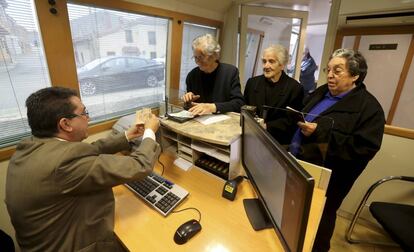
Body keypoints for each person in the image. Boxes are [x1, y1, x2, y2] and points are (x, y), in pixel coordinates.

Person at [5, 87, 161, 251]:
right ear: (65, 124)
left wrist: (127, 135)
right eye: (84, 113)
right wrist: (150, 131)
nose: (88, 117)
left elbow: (88, 150)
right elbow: (139, 165)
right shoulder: (64, 164)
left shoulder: (29, 147)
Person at [289, 49, 385, 252]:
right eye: (329, 69)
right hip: (297, 162)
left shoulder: (370, 108)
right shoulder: (321, 91)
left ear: (355, 75)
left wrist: (320, 132)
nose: (330, 75)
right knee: (294, 215)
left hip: (329, 179)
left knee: (318, 223)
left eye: (337, 71)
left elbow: (364, 149)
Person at [244, 44, 304, 144]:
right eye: (264, 61)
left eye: (271, 61)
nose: (266, 66)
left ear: (282, 65)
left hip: (278, 142)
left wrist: (267, 126)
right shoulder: (252, 83)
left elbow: (292, 121)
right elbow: (244, 108)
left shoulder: (295, 88)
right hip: (251, 137)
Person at [183, 34, 245, 115]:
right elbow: (190, 108)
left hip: (223, 123)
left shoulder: (230, 73)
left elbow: (239, 103)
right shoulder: (192, 76)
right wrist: (188, 101)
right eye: (195, 57)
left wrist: (213, 107)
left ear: (214, 55)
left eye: (201, 57)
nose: (197, 62)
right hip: (199, 123)